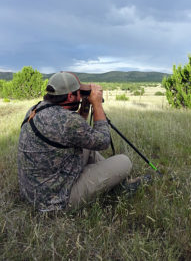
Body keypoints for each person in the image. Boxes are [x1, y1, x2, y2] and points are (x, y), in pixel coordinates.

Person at [17, 71, 133, 212]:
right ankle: (113, 182)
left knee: (87, 146)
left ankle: (108, 178)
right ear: (71, 96)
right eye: (79, 92)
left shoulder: (35, 108)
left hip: (32, 192)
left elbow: (76, 132)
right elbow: (103, 141)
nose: (81, 95)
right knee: (124, 161)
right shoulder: (68, 120)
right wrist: (97, 105)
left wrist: (84, 106)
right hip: (54, 200)